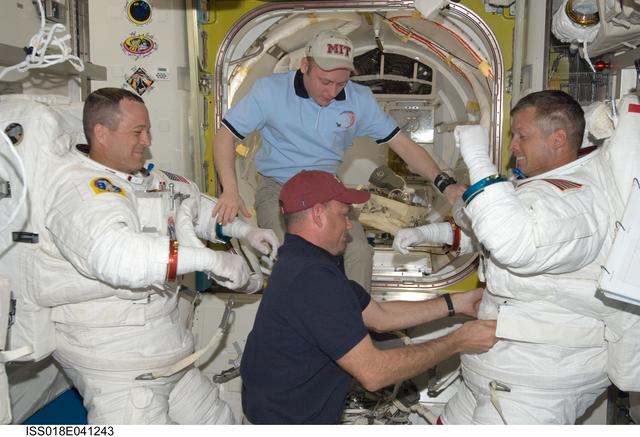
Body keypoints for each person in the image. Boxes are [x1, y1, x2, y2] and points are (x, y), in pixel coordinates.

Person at [31, 87, 279, 424]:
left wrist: (245, 231)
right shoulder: (78, 190)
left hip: (165, 347)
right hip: (117, 360)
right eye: (137, 132)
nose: (147, 141)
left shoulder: (148, 179)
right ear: (101, 134)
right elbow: (116, 255)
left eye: (147, 130)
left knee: (219, 423)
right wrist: (210, 260)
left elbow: (194, 208)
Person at [394, 90, 631, 424]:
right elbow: (491, 238)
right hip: (497, 369)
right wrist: (429, 234)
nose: (512, 146)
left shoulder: (578, 201)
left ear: (558, 139)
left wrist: (478, 158)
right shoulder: (544, 188)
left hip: (535, 385)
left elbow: (513, 241)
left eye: (521, 136)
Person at [213, 30, 466, 291]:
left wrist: (444, 183)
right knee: (286, 253)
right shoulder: (270, 91)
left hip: (328, 189)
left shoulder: (360, 100)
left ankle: (354, 314)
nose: (332, 91)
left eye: (341, 83)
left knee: (359, 253)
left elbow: (403, 145)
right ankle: (303, 313)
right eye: (325, 81)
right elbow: (225, 136)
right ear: (305, 66)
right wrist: (230, 190)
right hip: (279, 186)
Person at [239, 169, 497, 424]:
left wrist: (456, 303)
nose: (349, 224)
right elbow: (374, 373)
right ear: (318, 215)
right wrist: (458, 341)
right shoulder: (312, 277)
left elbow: (379, 316)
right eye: (343, 214)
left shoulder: (305, 261)